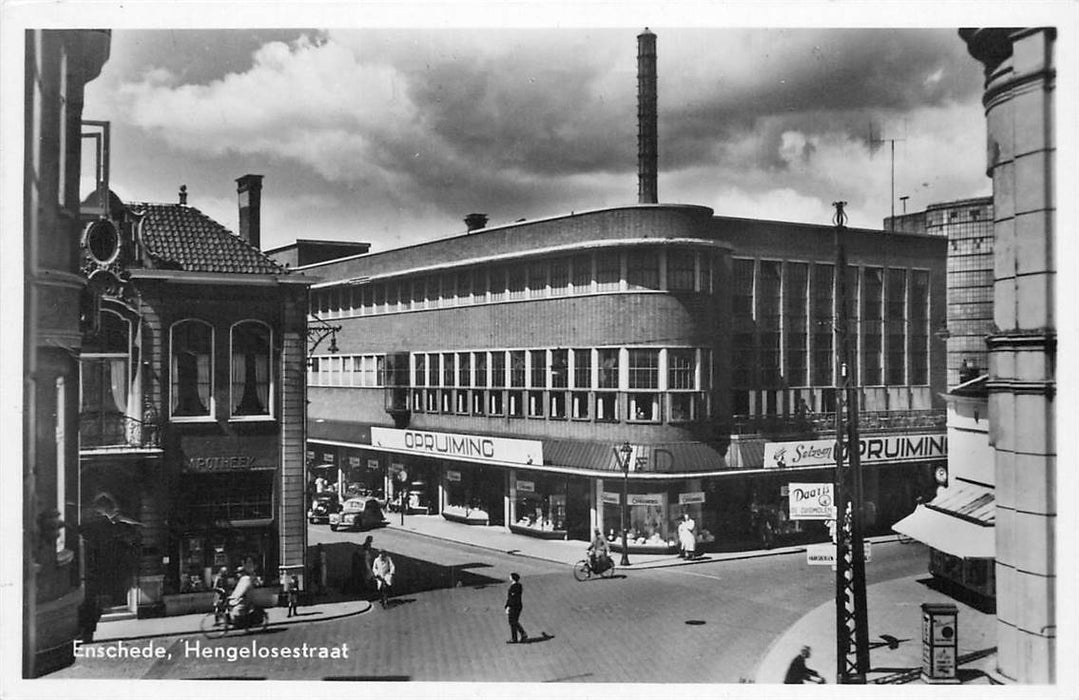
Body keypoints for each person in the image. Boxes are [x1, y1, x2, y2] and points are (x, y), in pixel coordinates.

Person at [228, 559, 260, 624]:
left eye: (239, 573)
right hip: (242, 598)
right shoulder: (242, 579)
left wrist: (235, 597)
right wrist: (233, 596)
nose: (238, 574)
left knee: (238, 609)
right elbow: (238, 590)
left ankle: (243, 622)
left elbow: (243, 590)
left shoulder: (246, 579)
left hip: (247, 598)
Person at [504, 572, 528, 644]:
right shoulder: (518, 585)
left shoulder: (514, 587)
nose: (509, 577)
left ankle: (515, 638)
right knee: (514, 621)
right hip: (518, 605)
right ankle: (522, 634)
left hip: (514, 606)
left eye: (510, 576)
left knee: (512, 622)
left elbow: (512, 598)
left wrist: (508, 606)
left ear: (513, 578)